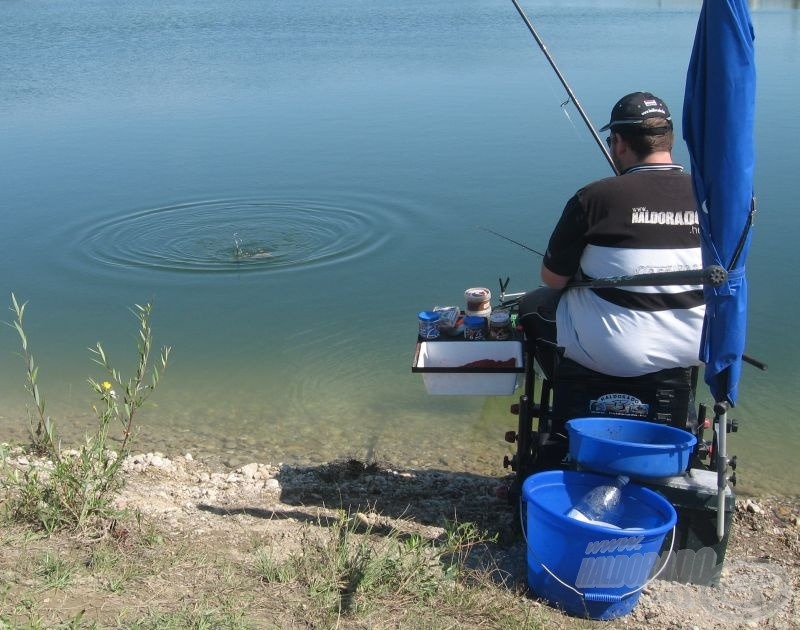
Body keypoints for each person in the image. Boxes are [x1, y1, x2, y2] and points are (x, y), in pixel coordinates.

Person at [519, 91, 705, 379]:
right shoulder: (711, 197)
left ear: (618, 143)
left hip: (616, 353)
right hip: (699, 346)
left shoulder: (594, 198)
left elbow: (553, 279)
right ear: (668, 140)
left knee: (532, 305)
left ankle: (568, 391)